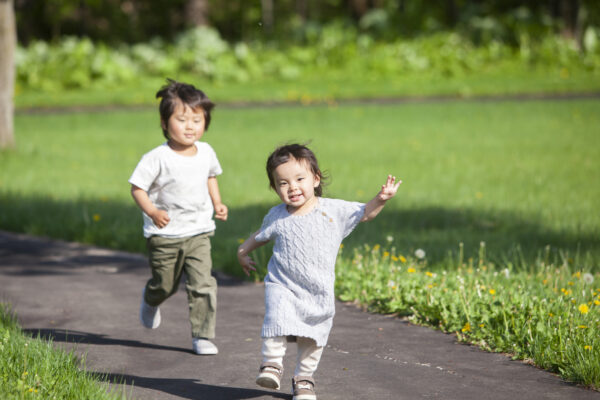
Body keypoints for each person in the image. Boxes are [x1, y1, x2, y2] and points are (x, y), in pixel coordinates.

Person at [237, 144, 401, 399]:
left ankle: (303, 379)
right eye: (283, 183)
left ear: (315, 179)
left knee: (314, 337)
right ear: (275, 187)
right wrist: (242, 252)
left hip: (318, 289)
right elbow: (261, 235)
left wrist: (381, 199)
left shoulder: (332, 210)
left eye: (299, 179)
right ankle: (271, 364)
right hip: (283, 284)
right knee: (276, 319)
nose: (292, 187)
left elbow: (364, 214)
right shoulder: (277, 215)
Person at [129, 79, 227, 355]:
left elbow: (211, 176)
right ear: (164, 122)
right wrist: (152, 211)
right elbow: (137, 188)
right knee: (166, 285)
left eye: (197, 119)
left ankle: (202, 336)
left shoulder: (206, 152)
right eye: (182, 119)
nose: (190, 126)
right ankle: (151, 299)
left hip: (199, 231)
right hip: (165, 235)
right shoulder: (157, 158)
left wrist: (217, 203)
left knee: (203, 283)